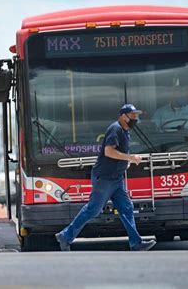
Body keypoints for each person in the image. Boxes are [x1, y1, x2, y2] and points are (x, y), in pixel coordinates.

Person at [55, 104, 157, 251]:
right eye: (133, 116)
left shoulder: (125, 131)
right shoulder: (115, 129)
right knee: (93, 210)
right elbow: (109, 152)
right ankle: (65, 236)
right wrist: (130, 157)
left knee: (127, 208)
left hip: (116, 178)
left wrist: (125, 162)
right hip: (105, 178)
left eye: (137, 116)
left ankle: (136, 243)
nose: (136, 119)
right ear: (123, 116)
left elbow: (116, 155)